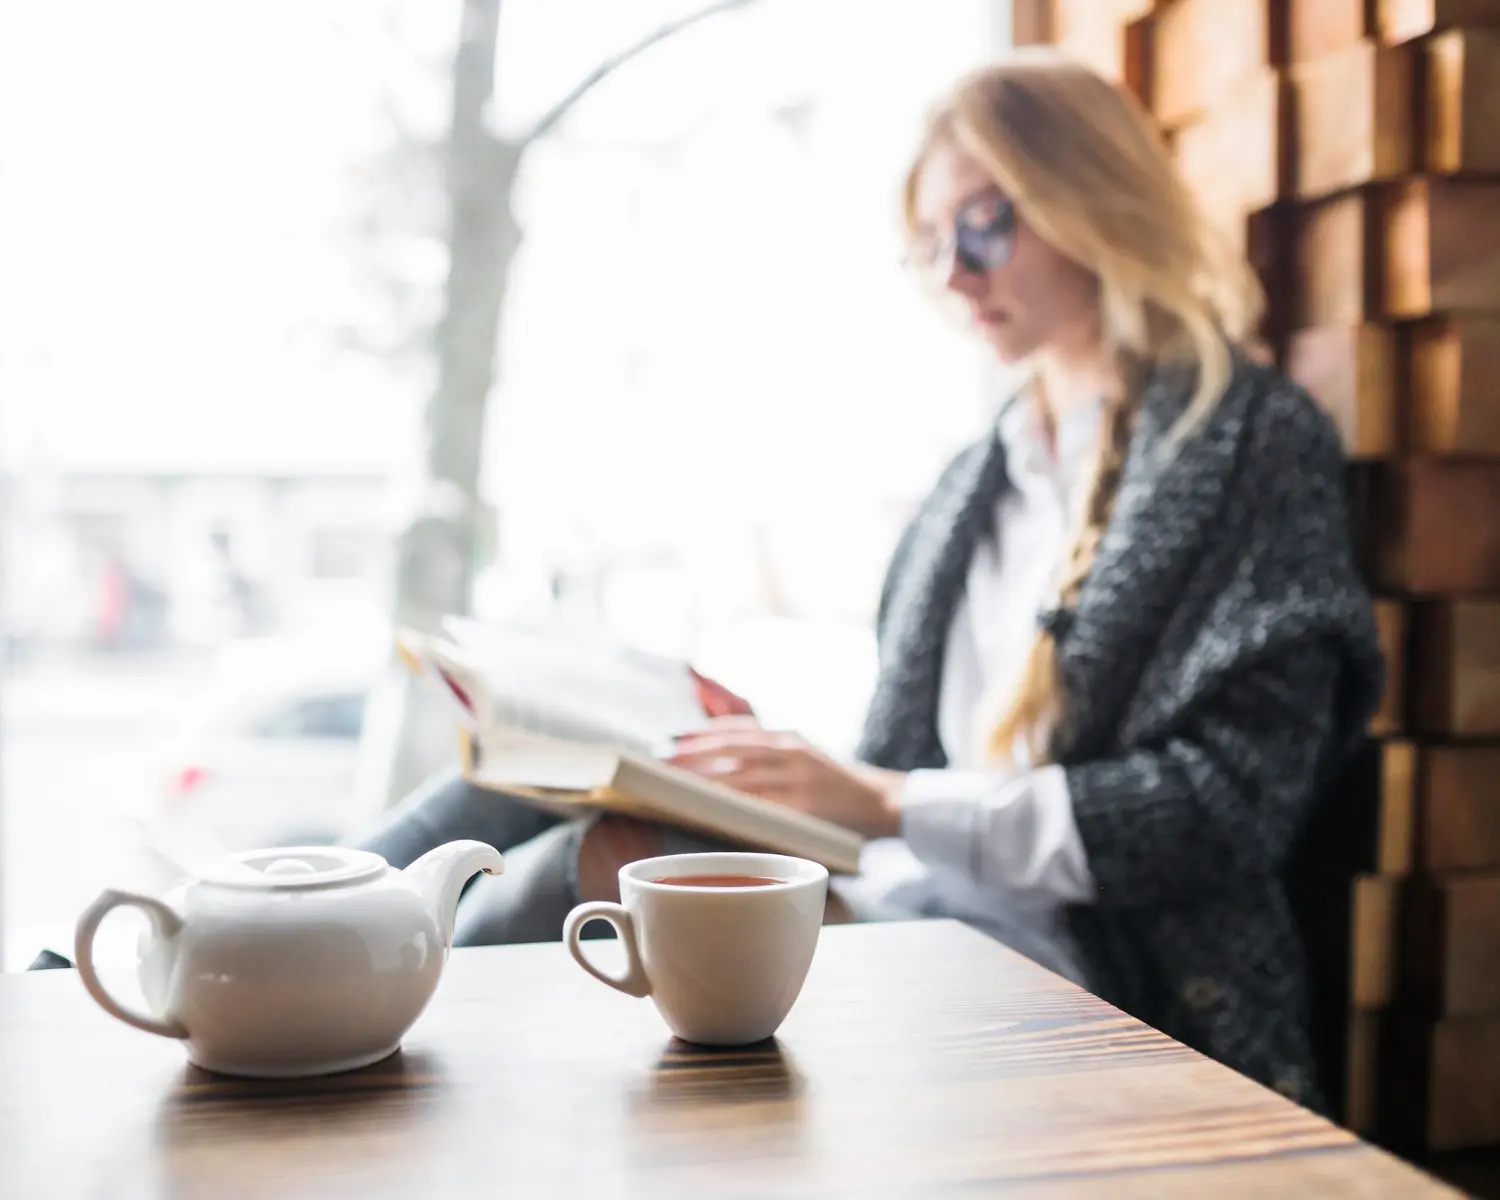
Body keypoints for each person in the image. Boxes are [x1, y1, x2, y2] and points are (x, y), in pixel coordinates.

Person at [358, 50, 1382, 1109]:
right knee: (520, 772)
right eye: (932, 245)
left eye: (984, 225)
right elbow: (910, 775)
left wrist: (881, 801)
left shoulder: (1251, 447)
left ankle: (352, 1043)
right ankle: (283, 930)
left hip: (1090, 974)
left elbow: (1225, 811)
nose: (955, 272)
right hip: (922, 905)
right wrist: (779, 763)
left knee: (615, 855)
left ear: (1094, 196)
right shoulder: (981, 481)